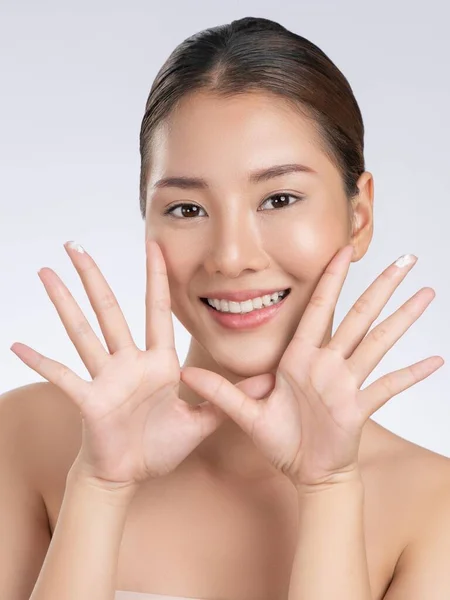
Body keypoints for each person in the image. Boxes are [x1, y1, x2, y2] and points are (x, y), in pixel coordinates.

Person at [1, 14, 449, 600]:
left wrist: (330, 487)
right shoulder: (24, 439)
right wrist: (100, 486)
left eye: (279, 198)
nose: (231, 257)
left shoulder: (433, 508)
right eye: (187, 209)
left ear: (358, 215)